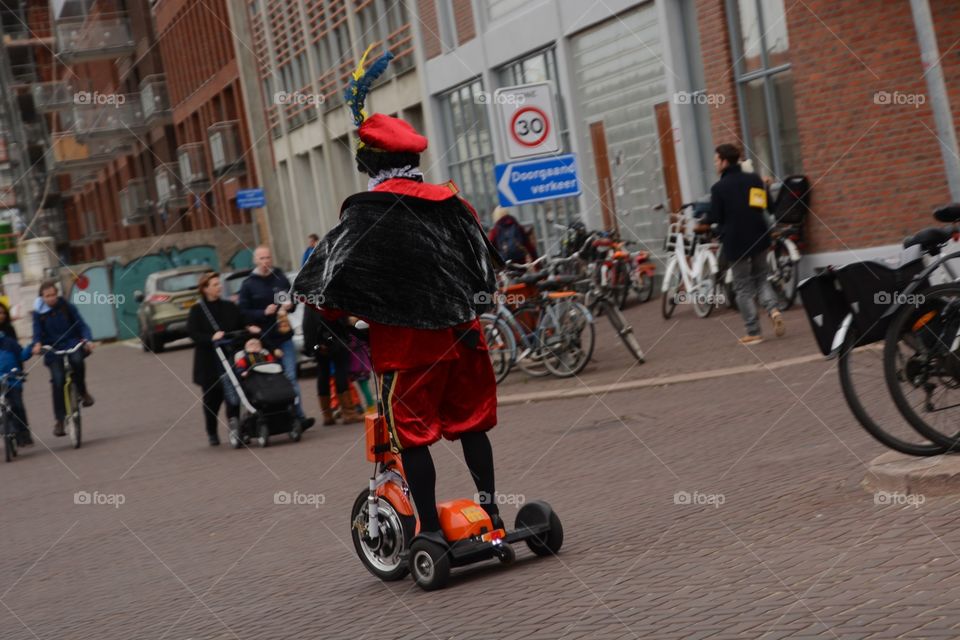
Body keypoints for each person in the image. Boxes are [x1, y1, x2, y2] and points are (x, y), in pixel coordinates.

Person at [294, 47, 505, 548]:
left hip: (409, 353)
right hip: (465, 340)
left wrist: (335, 320)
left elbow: (327, 280)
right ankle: (492, 513)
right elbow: (483, 270)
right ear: (412, 161)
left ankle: (429, 528)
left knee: (412, 436)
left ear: (373, 166)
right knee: (472, 426)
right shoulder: (454, 204)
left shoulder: (364, 214)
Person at [706, 144, 785, 345]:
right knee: (762, 278)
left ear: (724, 161)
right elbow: (767, 206)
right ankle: (773, 309)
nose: (715, 163)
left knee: (742, 287)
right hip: (759, 236)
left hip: (735, 241)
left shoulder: (719, 188)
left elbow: (715, 217)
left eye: (716, 160)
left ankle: (753, 331)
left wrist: (710, 226)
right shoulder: (754, 180)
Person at [238, 246, 315, 431]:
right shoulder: (248, 284)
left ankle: (298, 416)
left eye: (268, 257)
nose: (266, 261)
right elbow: (243, 313)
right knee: (268, 379)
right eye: (262, 258)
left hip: (283, 336)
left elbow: (291, 299)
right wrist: (262, 312)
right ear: (256, 260)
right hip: (263, 341)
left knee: (290, 377)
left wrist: (289, 304)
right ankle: (273, 417)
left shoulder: (279, 277)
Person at [187, 271, 259, 446]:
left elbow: (241, 323)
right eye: (215, 285)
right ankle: (211, 431)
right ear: (205, 289)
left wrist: (250, 328)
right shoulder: (197, 310)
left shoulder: (229, 306)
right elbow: (192, 333)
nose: (219, 287)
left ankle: (236, 428)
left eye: (219, 284)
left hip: (229, 358)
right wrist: (210, 337)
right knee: (212, 400)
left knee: (233, 395)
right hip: (209, 363)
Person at [30, 281, 94, 437]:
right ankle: (59, 421)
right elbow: (37, 333)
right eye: (47, 296)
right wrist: (38, 344)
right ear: (42, 297)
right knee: (58, 381)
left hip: (71, 343)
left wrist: (87, 339)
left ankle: (83, 392)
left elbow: (82, 325)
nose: (51, 298)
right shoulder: (39, 314)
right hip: (53, 349)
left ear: (57, 294)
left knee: (78, 361)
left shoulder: (67, 307)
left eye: (53, 295)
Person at [302, 304, 359, 425]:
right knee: (341, 371)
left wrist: (311, 344)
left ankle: (327, 415)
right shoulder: (329, 292)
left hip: (317, 341)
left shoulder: (309, 296)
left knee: (323, 373)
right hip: (335, 338)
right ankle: (348, 413)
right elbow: (339, 317)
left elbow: (307, 322)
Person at [0, 314, 32, 446]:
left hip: (12, 380)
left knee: (17, 406)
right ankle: (6, 429)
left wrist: (31, 347)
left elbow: (21, 355)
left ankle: (23, 433)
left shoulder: (9, 342)